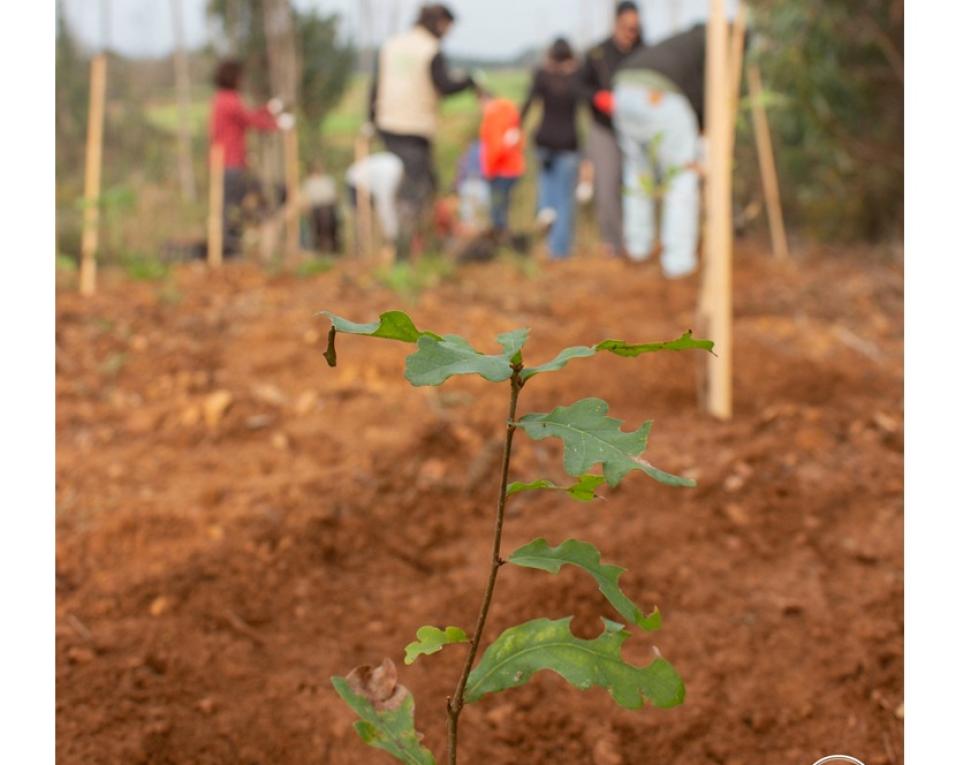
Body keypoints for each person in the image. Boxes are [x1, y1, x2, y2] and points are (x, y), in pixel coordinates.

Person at [369, 3, 479, 259]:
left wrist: (371, 119)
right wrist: (469, 81)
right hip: (414, 126)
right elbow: (444, 84)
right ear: (440, 23)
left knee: (408, 183)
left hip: (387, 124)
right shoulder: (430, 49)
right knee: (419, 187)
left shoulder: (392, 45)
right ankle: (409, 249)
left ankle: (414, 245)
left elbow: (376, 86)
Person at [612, 24, 706, 279]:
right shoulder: (716, 45)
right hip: (659, 95)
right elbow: (703, 94)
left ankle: (638, 248)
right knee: (682, 176)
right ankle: (678, 262)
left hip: (622, 91)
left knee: (638, 173)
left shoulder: (685, 40)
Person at [581, 1, 644, 258]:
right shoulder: (598, 53)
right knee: (606, 187)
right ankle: (612, 242)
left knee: (637, 186)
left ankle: (637, 240)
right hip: (604, 128)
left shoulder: (644, 52)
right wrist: (597, 97)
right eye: (626, 27)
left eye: (635, 28)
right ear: (616, 24)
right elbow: (578, 87)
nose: (631, 32)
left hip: (636, 130)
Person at [208, 59, 290, 257]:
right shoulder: (229, 100)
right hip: (231, 165)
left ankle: (237, 247)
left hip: (230, 165)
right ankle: (231, 251)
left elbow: (248, 116)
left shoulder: (222, 99)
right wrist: (278, 124)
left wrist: (269, 110)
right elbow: (250, 120)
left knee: (234, 206)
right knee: (234, 207)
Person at [521, 37, 582, 260]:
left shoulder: (542, 75)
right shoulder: (576, 78)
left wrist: (516, 127)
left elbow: (528, 103)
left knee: (546, 189)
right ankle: (560, 250)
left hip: (544, 140)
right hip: (568, 142)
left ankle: (545, 220)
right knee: (565, 199)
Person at [479, 95, 525, 236]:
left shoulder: (493, 117)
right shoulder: (511, 115)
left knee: (497, 212)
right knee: (504, 209)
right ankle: (505, 242)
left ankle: (501, 244)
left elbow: (495, 147)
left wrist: (489, 169)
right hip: (513, 169)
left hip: (499, 171)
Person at [345, 151, 404, 250]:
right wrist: (392, 234)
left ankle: (376, 245)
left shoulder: (395, 169)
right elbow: (385, 204)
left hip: (364, 179)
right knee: (362, 216)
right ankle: (362, 247)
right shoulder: (390, 176)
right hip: (356, 181)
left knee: (374, 215)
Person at [302, 161, 340, 254]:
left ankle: (332, 249)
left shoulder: (328, 180)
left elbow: (334, 195)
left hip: (328, 207)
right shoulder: (309, 182)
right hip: (317, 209)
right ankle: (319, 249)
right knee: (317, 231)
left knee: (330, 230)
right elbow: (307, 198)